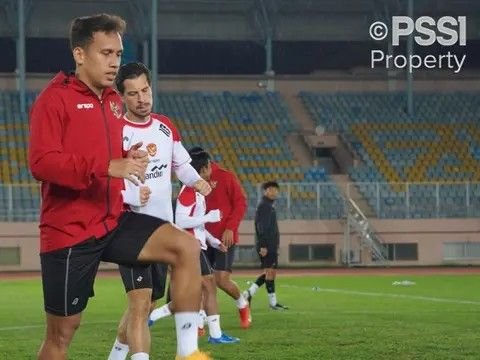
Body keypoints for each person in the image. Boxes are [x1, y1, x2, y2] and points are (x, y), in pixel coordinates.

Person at [28, 14, 210, 360]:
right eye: (105, 53)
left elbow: (108, 153)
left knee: (186, 248)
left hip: (113, 221)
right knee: (62, 334)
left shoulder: (112, 101)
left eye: (118, 53)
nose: (114, 62)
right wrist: (109, 166)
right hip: (69, 233)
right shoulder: (54, 100)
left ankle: (189, 354)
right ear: (80, 54)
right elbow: (42, 163)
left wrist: (129, 155)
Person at [107, 62, 209, 360]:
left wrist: (197, 180)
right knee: (139, 305)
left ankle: (114, 357)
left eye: (145, 90)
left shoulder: (165, 126)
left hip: (163, 233)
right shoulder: (116, 132)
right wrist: (130, 193)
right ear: (122, 97)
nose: (142, 98)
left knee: (150, 303)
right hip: (130, 230)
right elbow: (105, 180)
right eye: (133, 93)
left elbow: (181, 165)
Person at [149, 148, 241, 345]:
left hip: (195, 245)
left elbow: (195, 223)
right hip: (190, 247)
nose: (211, 170)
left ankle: (153, 316)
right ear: (204, 169)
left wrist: (213, 240)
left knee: (194, 293)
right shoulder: (190, 191)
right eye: (209, 167)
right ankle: (215, 335)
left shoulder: (196, 191)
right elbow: (180, 221)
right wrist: (209, 217)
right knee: (208, 287)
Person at [193, 147, 251, 328]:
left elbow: (241, 203)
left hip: (225, 238)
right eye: (198, 173)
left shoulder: (226, 177)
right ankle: (201, 322)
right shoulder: (193, 181)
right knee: (203, 281)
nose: (202, 177)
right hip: (203, 238)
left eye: (204, 171)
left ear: (209, 164)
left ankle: (242, 303)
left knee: (221, 280)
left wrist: (230, 229)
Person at [243, 181, 288, 310]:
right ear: (266, 191)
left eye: (276, 189)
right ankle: (272, 303)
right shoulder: (264, 206)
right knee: (270, 272)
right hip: (266, 245)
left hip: (271, 244)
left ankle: (248, 293)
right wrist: (263, 245)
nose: (274, 192)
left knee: (270, 272)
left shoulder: (268, 205)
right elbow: (261, 226)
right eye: (271, 189)